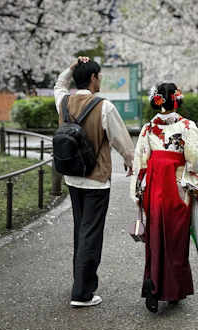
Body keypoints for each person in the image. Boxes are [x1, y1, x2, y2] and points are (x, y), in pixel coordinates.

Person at [54, 56, 135, 308]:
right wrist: (132, 162)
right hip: (96, 180)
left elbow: (59, 84)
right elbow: (121, 140)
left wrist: (71, 67)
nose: (101, 79)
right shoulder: (104, 107)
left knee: (81, 230)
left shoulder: (64, 102)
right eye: (98, 75)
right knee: (91, 234)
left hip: (73, 177)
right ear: (92, 78)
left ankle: (79, 282)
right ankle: (82, 293)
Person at [130, 83, 198, 313]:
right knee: (176, 238)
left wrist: (137, 192)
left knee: (155, 237)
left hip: (154, 186)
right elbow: (193, 159)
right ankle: (174, 290)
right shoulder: (187, 126)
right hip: (177, 188)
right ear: (177, 100)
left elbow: (140, 161)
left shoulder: (148, 127)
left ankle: (152, 286)